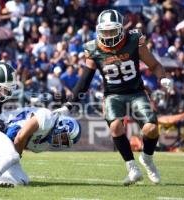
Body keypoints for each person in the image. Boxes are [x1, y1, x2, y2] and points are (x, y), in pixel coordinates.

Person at [56, 9, 173, 186]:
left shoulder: (134, 40)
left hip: (136, 92)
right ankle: (132, 166)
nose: (109, 35)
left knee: (151, 129)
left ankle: (147, 159)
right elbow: (85, 80)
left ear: (121, 29)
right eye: (105, 31)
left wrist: (162, 77)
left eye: (112, 30)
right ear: (98, 31)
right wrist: (68, 105)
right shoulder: (93, 48)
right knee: (116, 127)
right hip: (113, 95)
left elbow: (155, 65)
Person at [0, 107, 81, 187]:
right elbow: (19, 136)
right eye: (64, 138)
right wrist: (16, 156)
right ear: (61, 125)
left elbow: (18, 142)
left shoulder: (44, 144)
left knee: (21, 180)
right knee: (14, 155)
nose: (61, 142)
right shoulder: (47, 118)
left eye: (65, 143)